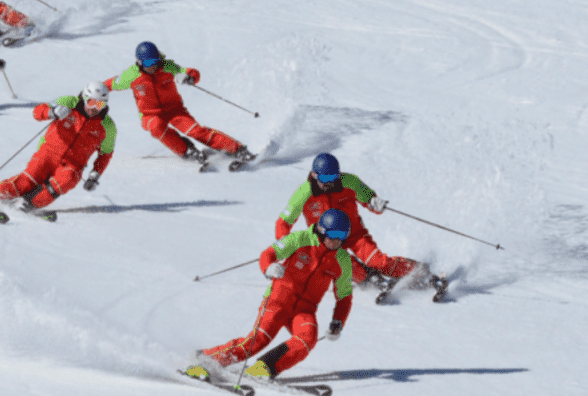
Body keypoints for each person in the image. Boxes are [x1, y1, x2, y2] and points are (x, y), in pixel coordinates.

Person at [185, 209, 354, 381]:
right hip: (278, 300)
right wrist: (269, 268)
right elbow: (269, 254)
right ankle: (205, 359)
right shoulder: (300, 239)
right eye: (333, 234)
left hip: (305, 310)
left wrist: (338, 322)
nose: (336, 240)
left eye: (341, 235)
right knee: (257, 341)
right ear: (321, 230)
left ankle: (263, 368)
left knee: (307, 339)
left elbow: (344, 296)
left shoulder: (343, 261)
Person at [275, 153, 447, 294]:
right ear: (314, 175)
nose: (329, 182)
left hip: (353, 232)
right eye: (325, 177)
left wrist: (375, 203)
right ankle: (369, 278)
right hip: (326, 241)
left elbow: (370, 199)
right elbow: (283, 222)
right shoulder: (303, 194)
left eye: (333, 176)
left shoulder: (349, 181)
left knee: (379, 262)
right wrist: (285, 246)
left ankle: (419, 271)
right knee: (340, 261)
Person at [0, 82, 116, 213]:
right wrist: (51, 112)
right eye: (91, 102)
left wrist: (95, 174)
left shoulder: (107, 127)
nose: (93, 108)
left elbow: (106, 154)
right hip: (48, 154)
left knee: (68, 179)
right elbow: (38, 111)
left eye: (99, 105)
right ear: (84, 97)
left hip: (73, 164)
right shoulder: (68, 102)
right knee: (26, 182)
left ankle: (28, 204)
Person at [104, 41, 255, 166]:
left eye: (156, 60)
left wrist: (189, 77)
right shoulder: (131, 76)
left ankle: (237, 149)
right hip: (149, 114)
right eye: (149, 62)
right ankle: (186, 150)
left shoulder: (168, 67)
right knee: (157, 127)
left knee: (195, 131)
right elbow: (111, 84)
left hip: (175, 110)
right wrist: (94, 93)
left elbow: (192, 72)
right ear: (139, 62)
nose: (153, 65)